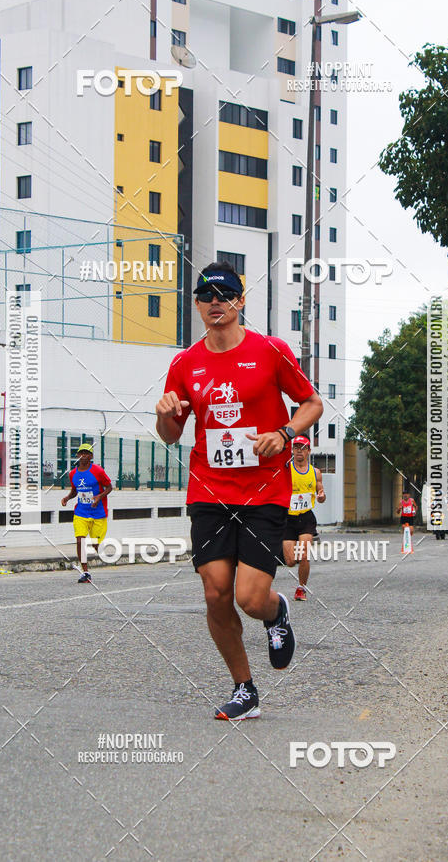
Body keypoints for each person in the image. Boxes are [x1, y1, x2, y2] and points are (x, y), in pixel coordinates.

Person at [156, 262, 323, 721]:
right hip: (209, 490)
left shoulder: (270, 351)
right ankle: (244, 689)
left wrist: (285, 434)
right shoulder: (185, 364)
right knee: (215, 593)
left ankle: (275, 611)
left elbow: (312, 403)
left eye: (225, 294)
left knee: (250, 598)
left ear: (240, 301)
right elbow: (170, 435)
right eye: (206, 295)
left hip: (264, 492)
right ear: (197, 304)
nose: (215, 302)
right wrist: (165, 414)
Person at [283, 435, 326, 601]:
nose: (299, 451)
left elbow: (321, 495)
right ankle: (294, 554)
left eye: (302, 448)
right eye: (296, 447)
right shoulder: (286, 469)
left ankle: (301, 588)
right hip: (288, 518)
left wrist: (321, 496)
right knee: (290, 561)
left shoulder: (315, 472)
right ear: (292, 450)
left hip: (306, 518)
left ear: (308, 451)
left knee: (303, 555)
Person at [61, 443, 112, 582]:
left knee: (95, 545)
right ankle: (85, 572)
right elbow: (75, 491)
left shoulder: (98, 471)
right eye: (81, 453)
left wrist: (99, 497)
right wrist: (67, 498)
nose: (83, 455)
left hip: (98, 513)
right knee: (80, 540)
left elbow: (109, 487)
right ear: (78, 455)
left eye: (86, 453)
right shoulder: (73, 474)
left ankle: (96, 546)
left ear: (91, 456)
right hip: (81, 512)